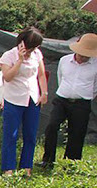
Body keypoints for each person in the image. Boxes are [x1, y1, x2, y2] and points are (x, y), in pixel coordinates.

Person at [40, 33, 97, 167]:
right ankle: (48, 160)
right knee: (52, 126)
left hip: (82, 103)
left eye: (87, 55)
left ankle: (71, 162)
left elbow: (95, 86)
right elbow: (60, 77)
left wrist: (84, 94)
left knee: (77, 132)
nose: (83, 57)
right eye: (82, 54)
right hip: (62, 100)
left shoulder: (95, 66)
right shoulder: (64, 60)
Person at [0, 27, 48, 176]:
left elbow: (40, 74)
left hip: (32, 98)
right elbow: (7, 77)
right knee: (11, 135)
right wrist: (19, 61)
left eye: (34, 48)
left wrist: (44, 92)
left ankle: (27, 167)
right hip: (14, 99)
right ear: (21, 43)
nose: (31, 51)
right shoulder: (8, 56)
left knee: (30, 134)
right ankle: (8, 168)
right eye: (29, 47)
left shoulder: (37, 54)